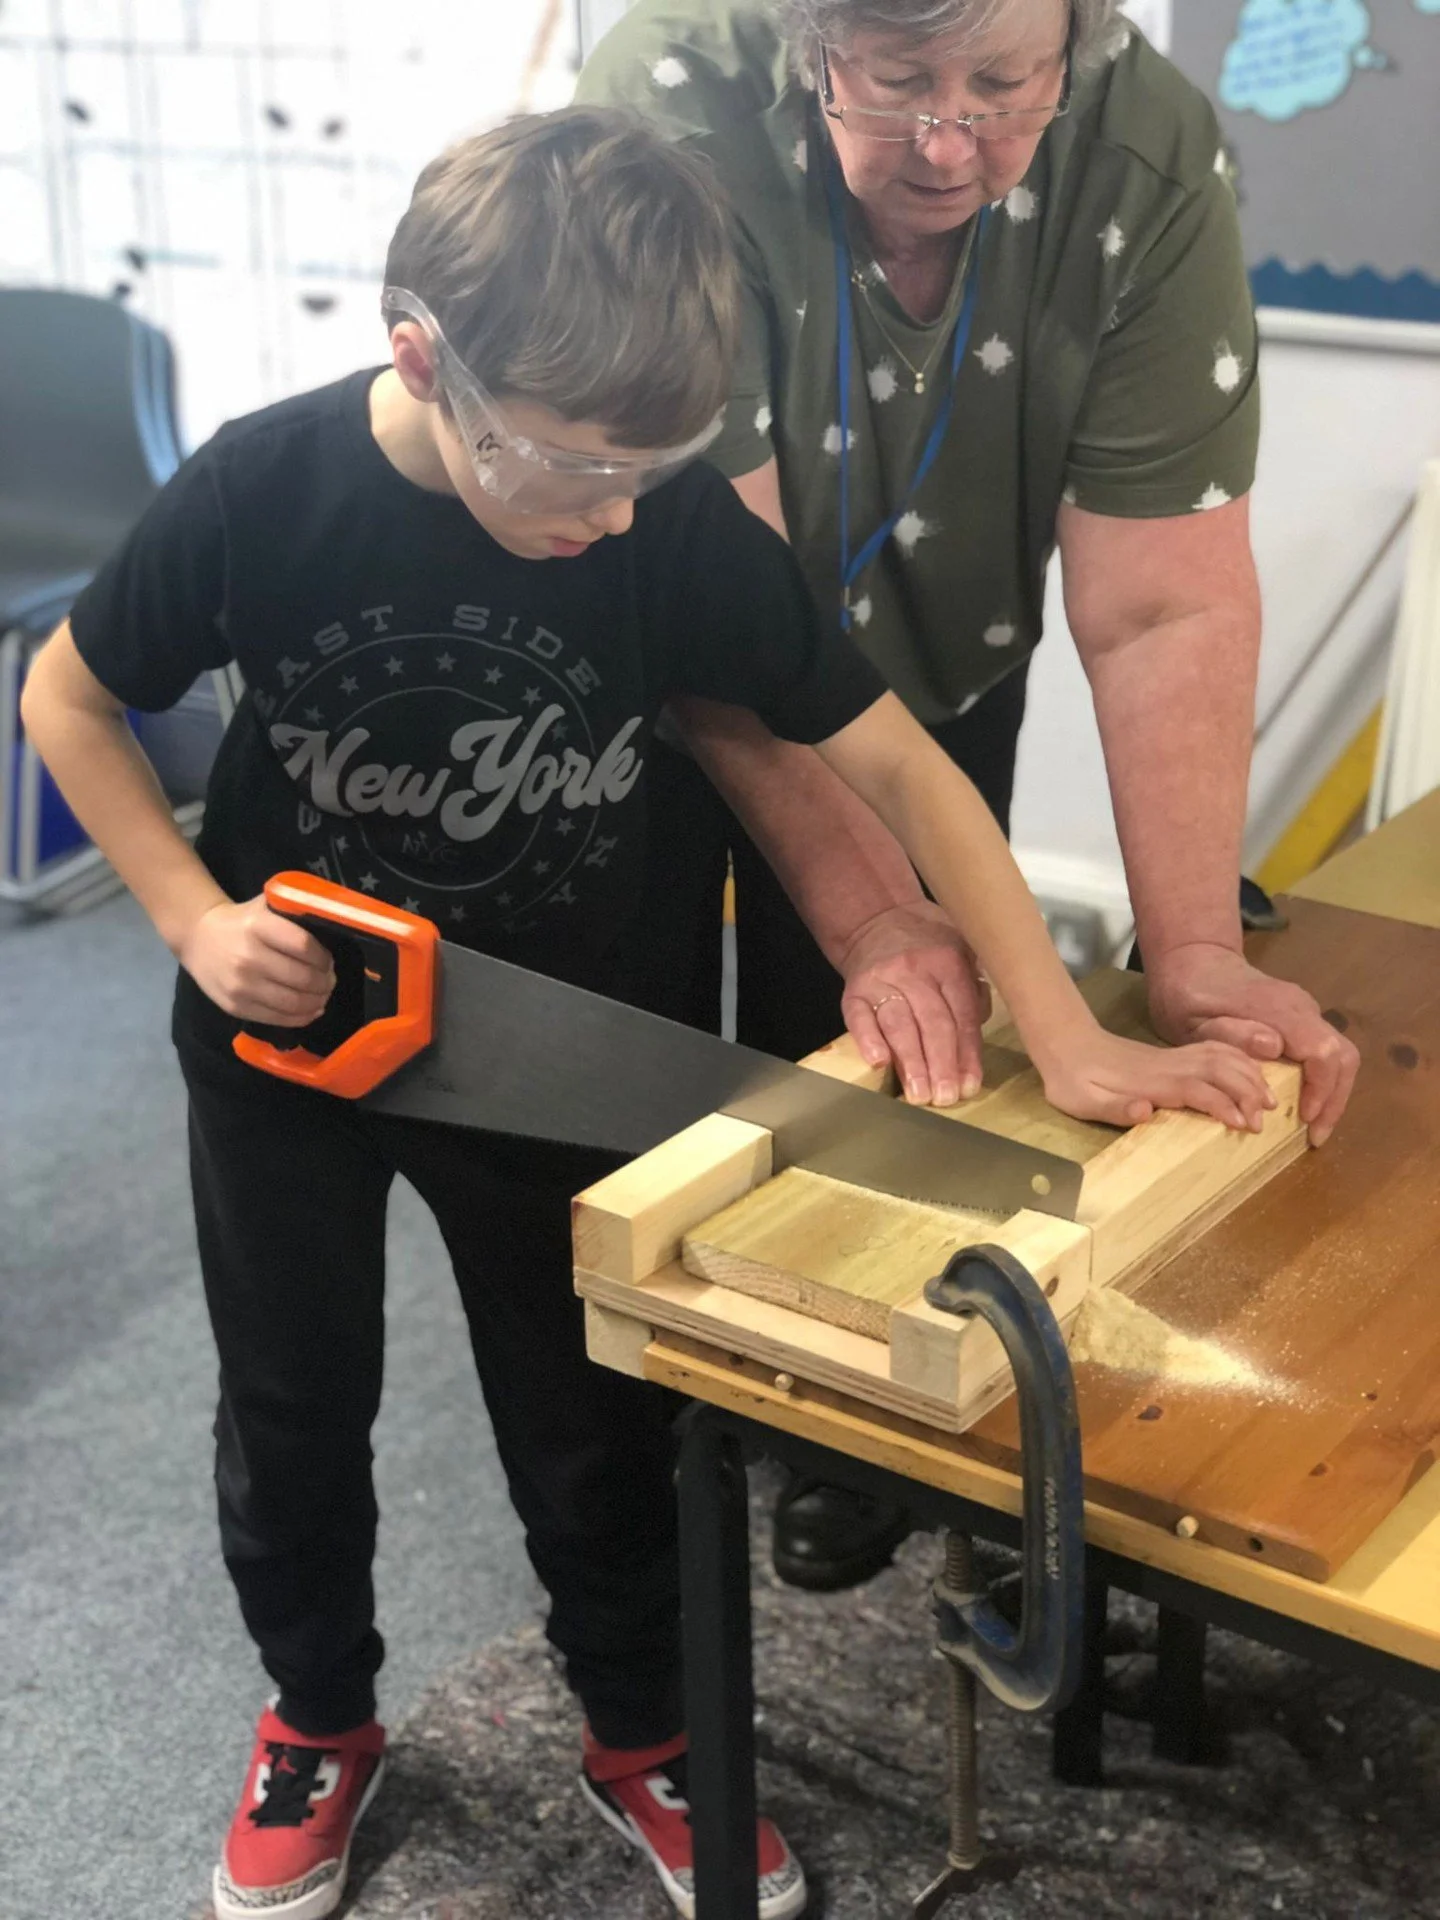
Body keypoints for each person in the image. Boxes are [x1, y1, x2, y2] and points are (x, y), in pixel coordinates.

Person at [23, 107, 1274, 1920]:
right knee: (292, 1409)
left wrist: (1063, 1034)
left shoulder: (658, 517)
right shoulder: (254, 488)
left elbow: (906, 773)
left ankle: (644, 1733)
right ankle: (318, 1717)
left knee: (597, 1425)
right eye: (571, 472)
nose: (610, 516)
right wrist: (195, 923)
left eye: (648, 471)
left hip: (558, 1055)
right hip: (281, 1059)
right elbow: (68, 704)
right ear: (421, 361)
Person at [578, 0, 1361, 1591]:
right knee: (633, 1074)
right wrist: (870, 901)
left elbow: (1165, 609)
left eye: (1004, 85)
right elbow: (718, 610)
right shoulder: (667, 107)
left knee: (904, 1058)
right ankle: (624, 1493)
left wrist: (1193, 951)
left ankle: (854, 1436)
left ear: (1075, 32)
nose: (953, 146)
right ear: (806, 39)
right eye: (899, 86)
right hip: (647, 654)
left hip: (937, 663)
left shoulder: (1144, 152)